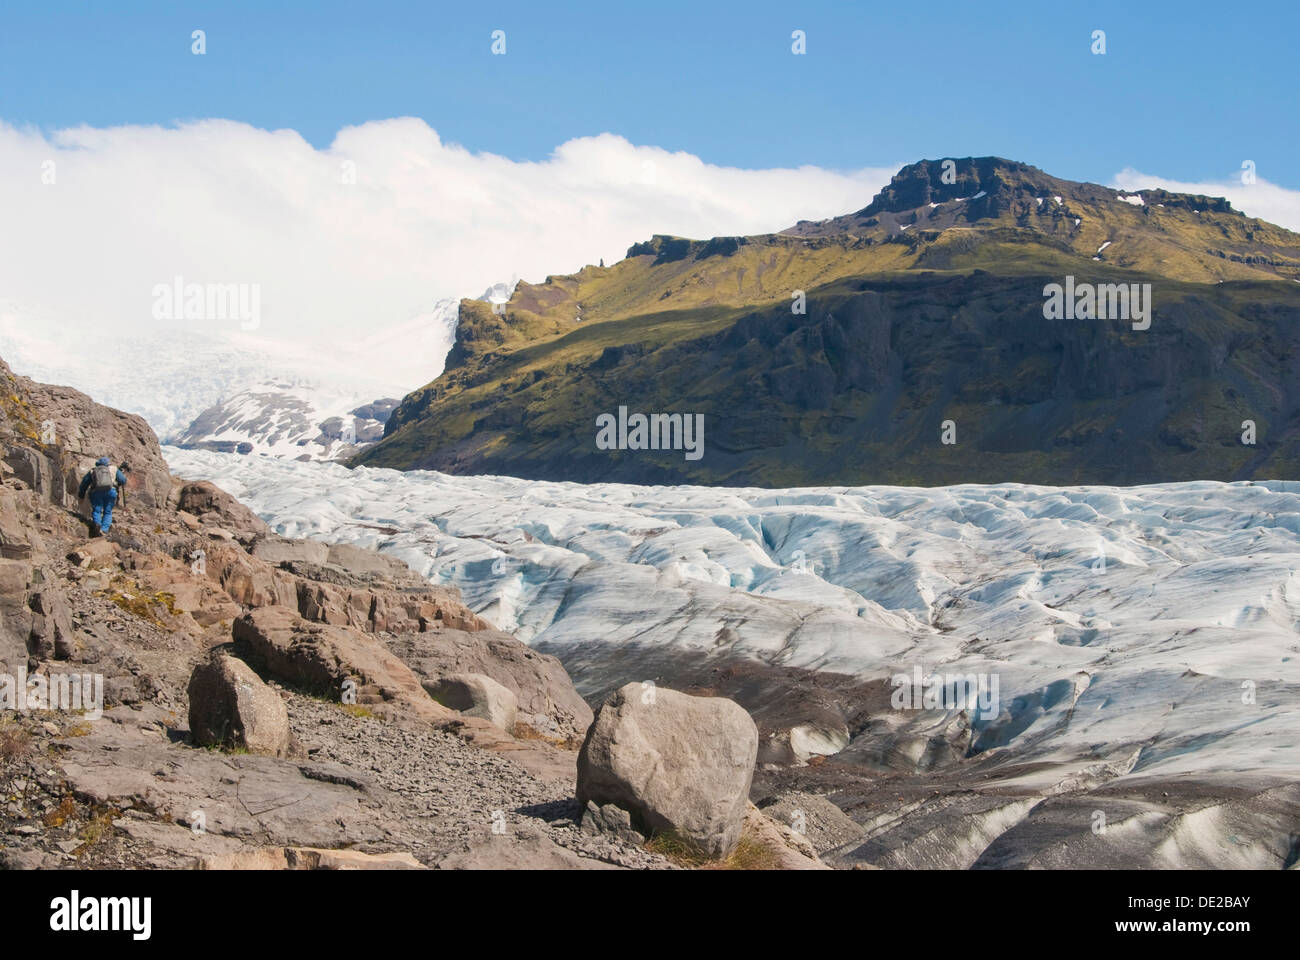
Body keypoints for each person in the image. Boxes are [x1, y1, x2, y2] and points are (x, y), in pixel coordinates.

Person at [78, 457, 127, 535]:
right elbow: (123, 480)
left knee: (97, 510)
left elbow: (84, 483)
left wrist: (81, 495)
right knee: (108, 511)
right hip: (111, 491)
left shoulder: (93, 470)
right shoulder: (114, 469)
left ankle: (97, 525)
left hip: (96, 492)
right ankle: (104, 529)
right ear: (108, 463)